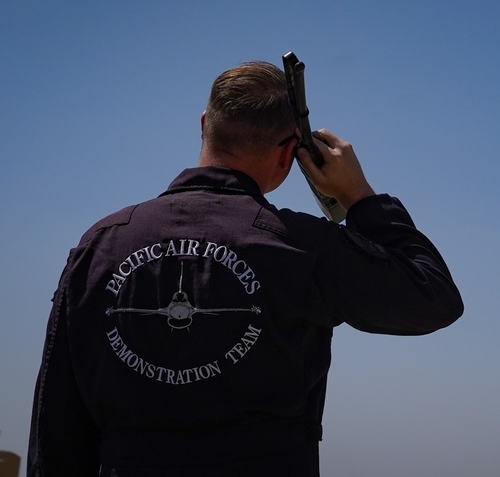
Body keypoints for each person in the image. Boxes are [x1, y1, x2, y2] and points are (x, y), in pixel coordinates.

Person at [27, 61, 464, 476]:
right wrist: (361, 198)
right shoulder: (301, 246)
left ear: (203, 124)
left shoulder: (99, 244)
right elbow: (432, 299)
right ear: (292, 152)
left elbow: (58, 421)